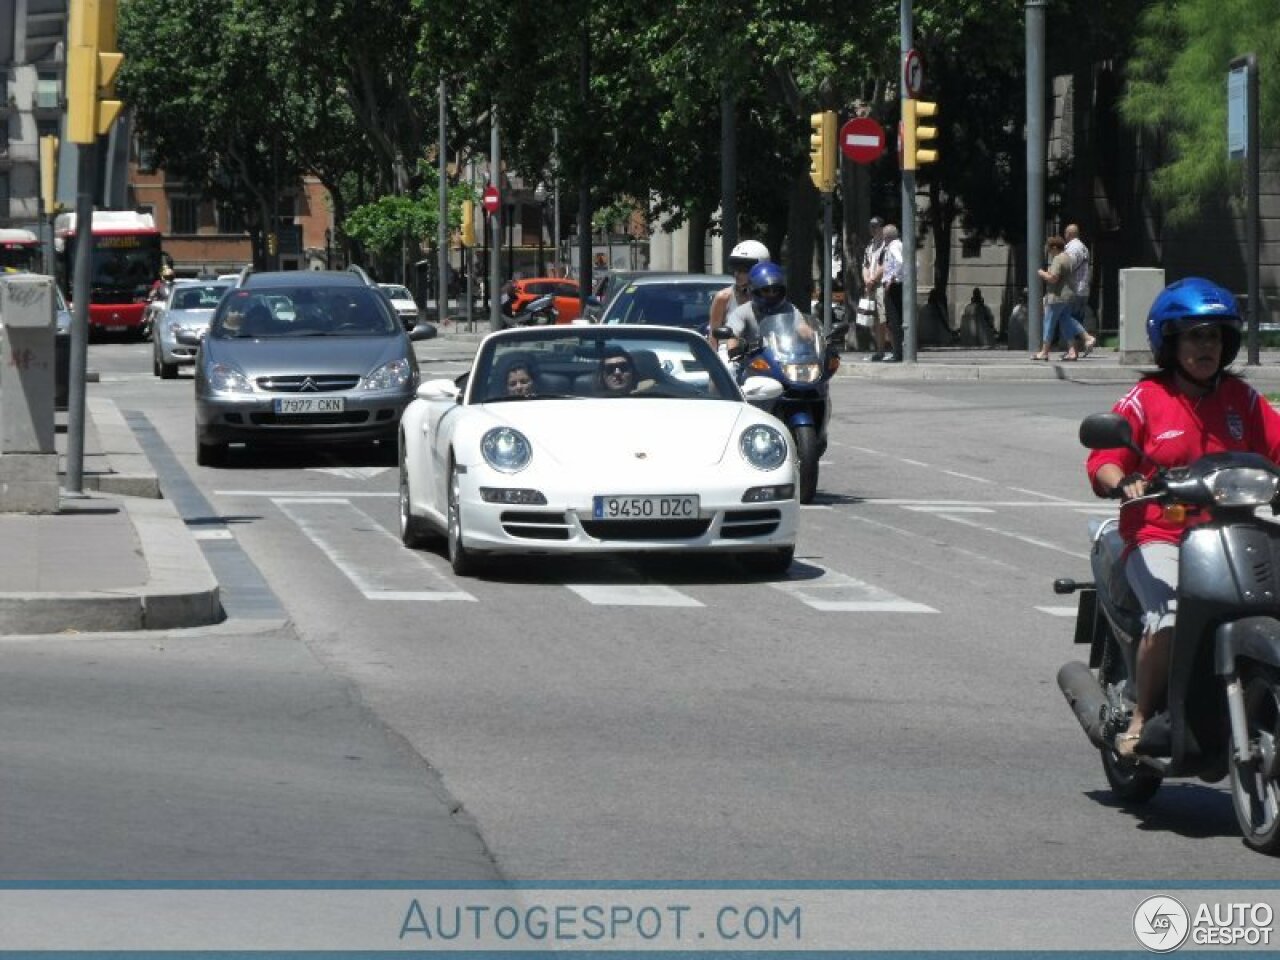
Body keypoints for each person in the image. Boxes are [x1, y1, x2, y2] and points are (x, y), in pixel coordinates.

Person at [1086, 277, 1280, 758]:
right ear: (1170, 342)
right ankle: (1141, 715)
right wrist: (1122, 480)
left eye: (1213, 336)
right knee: (1170, 616)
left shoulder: (1243, 400)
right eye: (1194, 335)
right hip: (1159, 533)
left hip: (1230, 532)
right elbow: (1104, 457)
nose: (1205, 346)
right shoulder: (1147, 398)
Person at [722, 261, 813, 357]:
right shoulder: (743, 312)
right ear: (754, 290)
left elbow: (802, 327)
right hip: (752, 362)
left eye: (776, 290)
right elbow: (733, 336)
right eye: (766, 290)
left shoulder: (789, 309)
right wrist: (733, 350)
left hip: (785, 359)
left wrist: (813, 338)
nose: (772, 294)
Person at [709, 240, 770, 345]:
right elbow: (713, 338)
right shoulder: (723, 298)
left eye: (743, 270)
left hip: (762, 357)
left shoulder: (770, 296)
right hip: (729, 357)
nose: (737, 274)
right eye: (735, 269)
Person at [1033, 236, 1082, 361]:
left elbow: (1053, 278)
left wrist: (1042, 273)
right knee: (1066, 324)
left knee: (1049, 323)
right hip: (1068, 296)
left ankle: (1044, 352)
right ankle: (1072, 351)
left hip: (1056, 297)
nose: (1049, 252)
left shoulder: (1057, 259)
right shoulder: (1069, 258)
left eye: (1049, 249)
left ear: (1054, 248)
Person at [1064, 223, 1096, 357]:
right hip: (1084, 289)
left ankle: (1087, 338)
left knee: (1066, 318)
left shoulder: (1073, 248)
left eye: (1065, 233)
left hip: (1074, 289)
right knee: (1077, 319)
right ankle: (1074, 351)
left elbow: (1067, 267)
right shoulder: (1084, 248)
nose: (1064, 236)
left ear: (1070, 234)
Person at [860, 217, 890, 360]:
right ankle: (879, 351)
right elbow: (865, 265)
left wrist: (872, 280)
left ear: (882, 228)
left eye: (876, 226)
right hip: (870, 285)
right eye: (871, 226)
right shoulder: (870, 246)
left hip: (880, 285)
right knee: (873, 320)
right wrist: (867, 280)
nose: (873, 229)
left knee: (883, 319)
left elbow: (884, 266)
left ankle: (888, 350)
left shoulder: (886, 246)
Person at [880, 224, 904, 363]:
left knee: (893, 320)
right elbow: (915, 264)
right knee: (897, 320)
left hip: (894, 286)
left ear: (886, 236)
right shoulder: (901, 245)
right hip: (899, 285)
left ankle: (897, 353)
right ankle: (898, 351)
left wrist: (893, 278)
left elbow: (901, 262)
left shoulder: (893, 247)